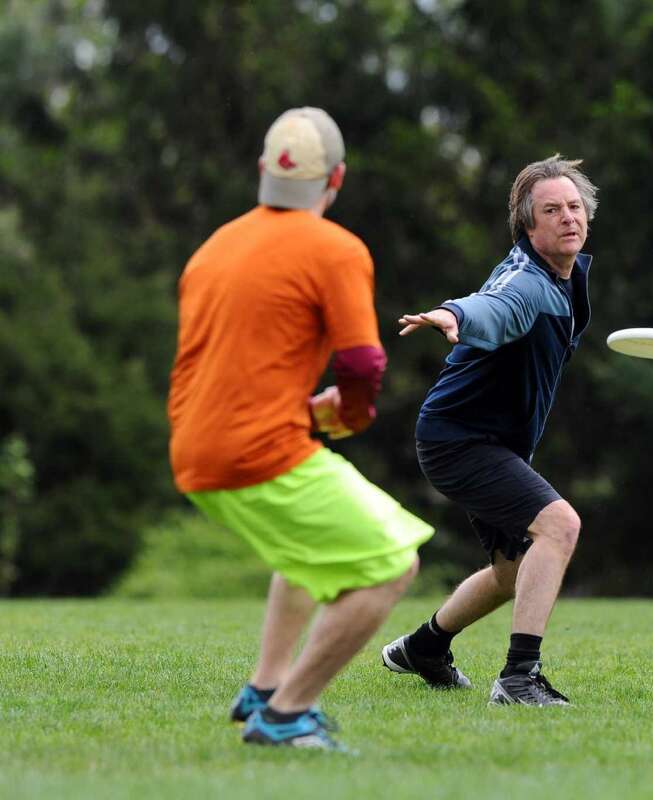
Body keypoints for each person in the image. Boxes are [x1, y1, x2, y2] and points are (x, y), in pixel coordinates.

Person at [167, 107, 434, 750]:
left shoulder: (215, 246)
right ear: (335, 179)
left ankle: (264, 687)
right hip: (259, 450)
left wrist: (299, 409)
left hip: (195, 448)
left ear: (263, 171)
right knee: (390, 565)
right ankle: (288, 715)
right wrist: (354, 414)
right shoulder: (336, 247)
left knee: (306, 555)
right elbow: (363, 361)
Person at [379, 155, 597, 706]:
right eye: (552, 211)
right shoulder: (528, 281)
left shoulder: (564, 278)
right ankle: (519, 677)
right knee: (560, 527)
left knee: (512, 573)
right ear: (528, 227)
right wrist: (455, 315)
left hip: (485, 441)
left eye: (574, 207)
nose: (568, 218)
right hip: (460, 440)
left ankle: (424, 647)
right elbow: (496, 308)